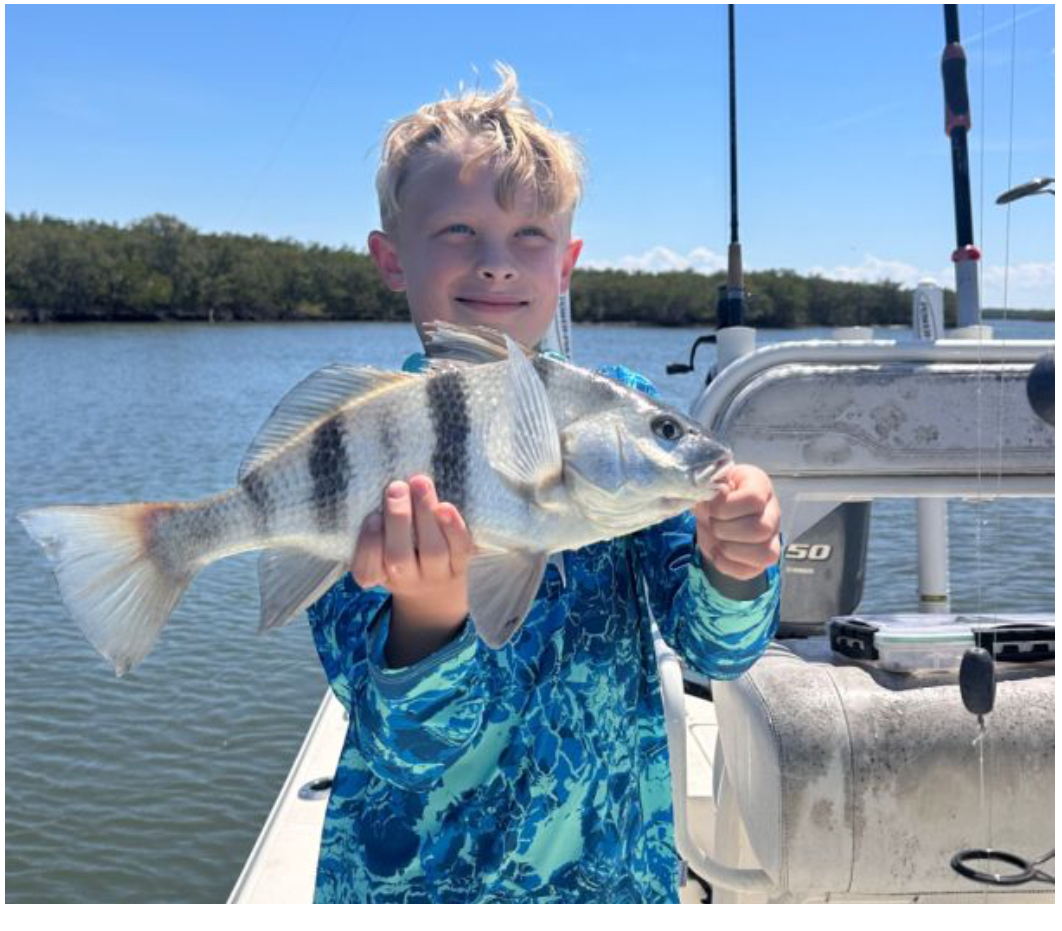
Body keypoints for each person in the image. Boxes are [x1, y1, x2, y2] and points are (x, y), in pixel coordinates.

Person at [307, 64, 781, 903]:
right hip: (412, 888)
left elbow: (717, 649)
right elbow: (403, 745)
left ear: (566, 263)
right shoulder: (365, 443)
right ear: (390, 258)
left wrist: (735, 567)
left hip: (610, 881)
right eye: (456, 229)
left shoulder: (627, 418)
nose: (497, 263)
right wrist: (428, 613)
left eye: (530, 235)